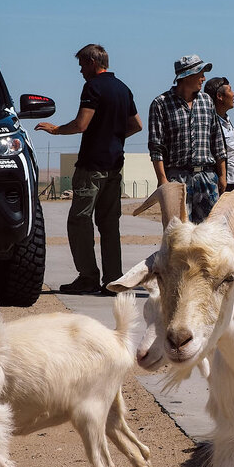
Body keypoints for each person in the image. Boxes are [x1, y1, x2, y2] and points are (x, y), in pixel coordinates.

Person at [36, 43, 142, 295]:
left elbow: (82, 124)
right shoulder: (123, 88)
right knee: (109, 224)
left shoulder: (93, 86)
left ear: (93, 63)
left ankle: (87, 277)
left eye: (82, 65)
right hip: (115, 166)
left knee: (79, 221)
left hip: (92, 166)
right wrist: (114, 138)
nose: (81, 71)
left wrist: (56, 129)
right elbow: (136, 125)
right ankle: (113, 278)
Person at [147, 54, 227, 222]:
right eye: (200, 74)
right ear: (187, 76)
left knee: (208, 234)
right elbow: (156, 147)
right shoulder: (160, 104)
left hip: (207, 178)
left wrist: (222, 175)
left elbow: (217, 140)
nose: (204, 78)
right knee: (179, 233)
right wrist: (162, 180)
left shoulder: (207, 101)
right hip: (176, 179)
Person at [206, 76, 234, 193]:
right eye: (230, 90)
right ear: (219, 97)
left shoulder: (227, 121)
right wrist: (221, 176)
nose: (233, 94)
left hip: (231, 180)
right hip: (218, 182)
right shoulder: (209, 122)